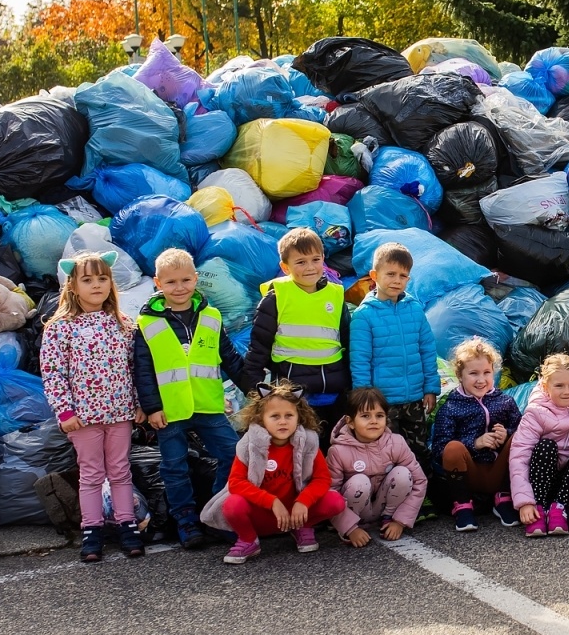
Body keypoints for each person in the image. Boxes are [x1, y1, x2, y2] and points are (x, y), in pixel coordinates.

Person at [133, 248, 244, 550]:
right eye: (171, 282)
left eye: (185, 280)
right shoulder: (146, 323)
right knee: (174, 467)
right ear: (157, 283)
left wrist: (255, 385)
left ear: (196, 279)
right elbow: (142, 369)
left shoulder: (211, 315)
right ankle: (186, 522)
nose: (179, 288)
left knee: (234, 454)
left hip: (208, 404)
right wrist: (152, 407)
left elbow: (229, 357)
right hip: (170, 411)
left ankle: (217, 512)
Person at [41, 251, 143, 563]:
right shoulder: (60, 328)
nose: (96, 285)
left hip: (120, 412)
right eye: (87, 280)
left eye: (102, 278)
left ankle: (128, 525)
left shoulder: (123, 324)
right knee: (91, 473)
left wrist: (139, 404)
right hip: (83, 418)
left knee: (120, 470)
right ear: (72, 286)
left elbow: (136, 368)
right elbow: (52, 372)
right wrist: (65, 412)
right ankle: (92, 530)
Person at [242, 227, 351, 443]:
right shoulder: (276, 299)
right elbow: (259, 348)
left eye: (315, 259)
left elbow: (349, 344)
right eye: (300, 262)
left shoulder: (336, 296)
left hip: (334, 392)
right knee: (299, 449)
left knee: (333, 449)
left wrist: (353, 386)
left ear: (323, 260)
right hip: (294, 396)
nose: (310, 267)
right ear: (285, 267)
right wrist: (255, 391)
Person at [220, 381, 347, 564]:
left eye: (289, 415)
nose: (283, 421)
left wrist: (303, 501)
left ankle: (302, 527)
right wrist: (272, 501)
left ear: (299, 417)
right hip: (265, 515)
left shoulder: (308, 441)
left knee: (335, 501)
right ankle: (249, 540)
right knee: (232, 504)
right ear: (261, 419)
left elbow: (322, 478)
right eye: (275, 416)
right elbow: (236, 483)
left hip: (297, 512)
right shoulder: (249, 445)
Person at [349, 241, 438, 468]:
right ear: (374, 275)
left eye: (403, 275)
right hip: (383, 403)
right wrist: (365, 399)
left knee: (418, 448)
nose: (397, 280)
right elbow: (360, 360)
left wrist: (430, 388)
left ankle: (423, 493)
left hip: (414, 398)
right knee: (386, 452)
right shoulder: (364, 315)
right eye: (390, 274)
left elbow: (427, 350)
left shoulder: (415, 309)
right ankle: (390, 495)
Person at [429, 337, 523, 532]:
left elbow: (523, 429)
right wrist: (475, 443)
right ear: (460, 376)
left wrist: (507, 434)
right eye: (473, 373)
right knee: (453, 448)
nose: (481, 380)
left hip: (499, 471)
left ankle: (503, 496)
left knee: (519, 439)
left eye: (487, 373)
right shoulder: (451, 406)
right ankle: (462, 505)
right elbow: (439, 449)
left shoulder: (504, 401)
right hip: (469, 475)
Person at [508, 354, 569, 538]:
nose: (567, 391)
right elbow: (519, 457)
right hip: (540, 479)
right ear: (544, 386)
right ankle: (539, 509)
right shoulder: (536, 413)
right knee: (546, 447)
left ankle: (559, 507)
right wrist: (525, 501)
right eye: (559, 385)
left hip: (568, 482)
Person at [326, 387, 428, 547]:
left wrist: (400, 521)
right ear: (350, 422)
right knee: (359, 481)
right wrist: (349, 528)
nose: (374, 421)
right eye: (365, 416)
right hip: (357, 511)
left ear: (386, 419)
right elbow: (329, 494)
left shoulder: (396, 443)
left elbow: (419, 481)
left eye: (379, 415)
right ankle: (355, 526)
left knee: (403, 473)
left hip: (386, 508)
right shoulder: (338, 451)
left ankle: (387, 519)